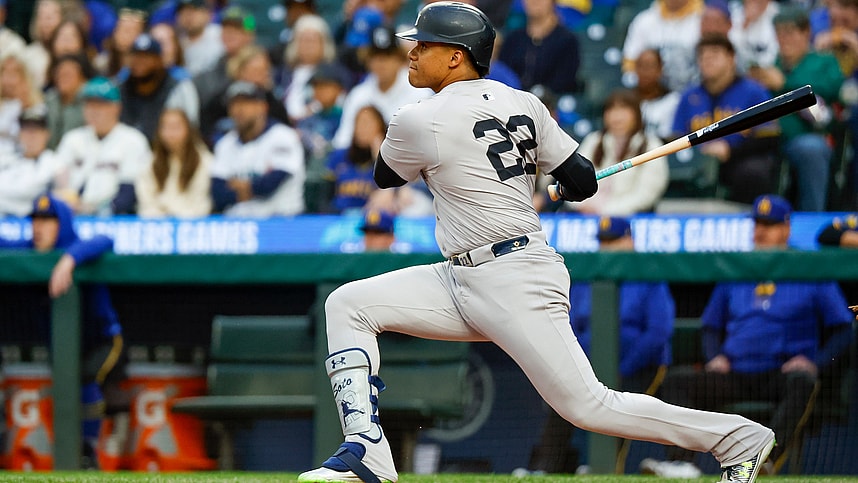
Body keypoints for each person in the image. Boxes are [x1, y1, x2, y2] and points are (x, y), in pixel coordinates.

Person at [297, 3, 775, 483]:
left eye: (426, 45)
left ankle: (737, 439)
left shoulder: (419, 118)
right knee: (349, 304)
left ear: (458, 57)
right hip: (462, 275)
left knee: (589, 406)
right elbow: (583, 179)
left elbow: (384, 176)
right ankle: (367, 454)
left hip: (512, 278)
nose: (414, 52)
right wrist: (560, 183)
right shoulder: (524, 102)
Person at [643, 194, 855, 476]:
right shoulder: (740, 266)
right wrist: (715, 356)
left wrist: (814, 361)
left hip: (781, 373)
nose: (761, 231)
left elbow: (843, 328)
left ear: (786, 228)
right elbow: (711, 326)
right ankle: (682, 463)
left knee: (803, 382)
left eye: (770, 224)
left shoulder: (808, 267)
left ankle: (765, 461)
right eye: (757, 224)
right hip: (736, 372)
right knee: (679, 382)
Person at [524, 216, 676, 475]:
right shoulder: (588, 276)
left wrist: (623, 368)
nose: (608, 248)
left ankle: (603, 470)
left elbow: (658, 332)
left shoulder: (649, 275)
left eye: (614, 241)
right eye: (604, 242)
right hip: (590, 367)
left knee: (621, 407)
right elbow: (568, 324)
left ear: (630, 241)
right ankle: (544, 469)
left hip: (637, 369)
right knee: (561, 399)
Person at [0, 194, 125, 469]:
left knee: (83, 378)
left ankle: (88, 452)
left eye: (47, 220)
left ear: (62, 223)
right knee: (65, 383)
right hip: (62, 349)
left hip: (103, 342)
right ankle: (72, 452)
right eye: (35, 220)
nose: (38, 227)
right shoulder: (30, 249)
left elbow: (106, 240)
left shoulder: (77, 246)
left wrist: (69, 259)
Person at [748, 7, 843, 212]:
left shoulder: (823, 62)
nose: (784, 39)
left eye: (790, 32)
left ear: (806, 32)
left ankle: (812, 219)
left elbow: (831, 93)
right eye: (779, 33)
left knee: (812, 148)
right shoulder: (771, 66)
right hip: (765, 139)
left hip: (804, 136)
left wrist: (784, 83)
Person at [672, 34, 780, 204]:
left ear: (731, 59)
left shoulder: (754, 92)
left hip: (740, 160)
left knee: (752, 172)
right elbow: (676, 138)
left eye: (714, 55)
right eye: (702, 56)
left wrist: (730, 150)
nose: (707, 60)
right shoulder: (689, 97)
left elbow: (769, 137)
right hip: (697, 164)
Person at [52, 76, 151, 215]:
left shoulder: (133, 140)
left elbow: (129, 193)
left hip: (114, 218)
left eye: (101, 104)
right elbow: (57, 183)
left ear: (117, 107)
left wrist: (96, 210)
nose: (94, 110)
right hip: (71, 215)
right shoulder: (72, 139)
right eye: (89, 104)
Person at [210, 81, 305, 217]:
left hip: (281, 222)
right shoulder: (225, 143)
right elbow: (217, 193)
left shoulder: (283, 136)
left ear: (262, 107)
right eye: (234, 104)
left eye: (246, 103)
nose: (239, 110)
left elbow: (270, 185)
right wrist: (253, 187)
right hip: (238, 224)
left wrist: (241, 187)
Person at [569, 89, 669, 215]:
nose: (617, 116)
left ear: (636, 114)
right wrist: (582, 205)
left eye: (623, 109)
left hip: (628, 218)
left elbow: (647, 193)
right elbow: (572, 179)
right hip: (585, 215)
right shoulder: (593, 141)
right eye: (611, 110)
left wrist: (605, 211)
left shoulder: (651, 144)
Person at [331, 25, 432, 150]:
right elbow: (342, 142)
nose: (381, 63)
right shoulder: (358, 95)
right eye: (376, 57)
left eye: (387, 56)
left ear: (399, 59)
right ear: (368, 60)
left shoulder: (420, 94)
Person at [119, 33, 200, 142]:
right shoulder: (120, 88)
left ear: (159, 60)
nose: (139, 62)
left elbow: (190, 129)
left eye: (146, 57)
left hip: (165, 152)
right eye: (136, 56)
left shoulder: (178, 88)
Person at [135, 108, 212, 217]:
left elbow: (202, 203)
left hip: (192, 222)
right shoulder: (149, 161)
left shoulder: (204, 160)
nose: (170, 133)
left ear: (188, 129)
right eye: (165, 127)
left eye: (176, 127)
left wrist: (177, 219)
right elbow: (146, 201)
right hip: (157, 223)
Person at [497, 0, 580, 95]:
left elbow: (564, 80)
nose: (535, 1)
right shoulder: (513, 39)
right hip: (514, 101)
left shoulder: (567, 40)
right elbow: (503, 73)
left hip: (550, 103)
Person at [622, 0, 703, 93]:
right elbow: (630, 64)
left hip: (695, 96)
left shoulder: (706, 18)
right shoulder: (643, 21)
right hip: (653, 98)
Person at [323, 105, 386, 214]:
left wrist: (379, 158)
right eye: (359, 123)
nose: (362, 128)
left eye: (367, 123)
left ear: (380, 127)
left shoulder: (390, 160)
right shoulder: (339, 156)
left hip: (374, 219)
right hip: (339, 217)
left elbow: (392, 193)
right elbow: (325, 196)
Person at [0, 107, 58, 217]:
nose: (31, 136)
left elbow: (29, 191)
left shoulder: (53, 162)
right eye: (26, 130)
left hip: (34, 219)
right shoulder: (6, 158)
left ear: (46, 134)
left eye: (36, 130)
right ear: (20, 134)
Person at [44, 53, 94, 149]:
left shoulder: (91, 103)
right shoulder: (49, 101)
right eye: (59, 74)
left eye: (67, 74)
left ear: (82, 78)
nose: (62, 78)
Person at [634, 48, 680, 142]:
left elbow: (677, 136)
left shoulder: (674, 101)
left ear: (660, 69)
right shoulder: (628, 101)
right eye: (641, 66)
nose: (644, 71)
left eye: (649, 66)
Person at [174, 0, 224, 77]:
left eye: (193, 11)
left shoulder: (220, 34)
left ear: (207, 14)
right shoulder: (175, 42)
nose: (188, 16)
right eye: (183, 12)